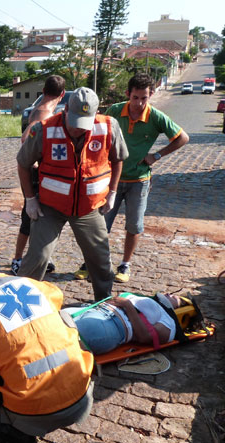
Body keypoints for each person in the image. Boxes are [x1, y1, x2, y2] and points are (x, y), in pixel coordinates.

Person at [0, 246, 94, 443]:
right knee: (63, 316)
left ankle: (14, 427)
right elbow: (55, 303)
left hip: (32, 413)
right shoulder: (32, 284)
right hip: (82, 398)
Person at [16, 87, 129, 300]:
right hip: (50, 206)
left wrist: (113, 192)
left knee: (101, 259)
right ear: (65, 109)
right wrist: (30, 199)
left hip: (89, 206)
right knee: (38, 257)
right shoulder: (44, 129)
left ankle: (104, 302)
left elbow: (118, 159)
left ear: (95, 114)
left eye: (84, 123)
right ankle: (20, 303)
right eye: (75, 121)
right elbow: (23, 163)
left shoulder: (108, 126)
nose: (79, 129)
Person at [75, 73, 189, 283]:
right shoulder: (116, 111)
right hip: (112, 180)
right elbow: (99, 133)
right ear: (128, 94)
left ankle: (125, 265)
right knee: (100, 224)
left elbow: (183, 138)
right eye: (135, 97)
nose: (139, 103)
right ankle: (89, 263)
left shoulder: (156, 117)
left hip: (140, 181)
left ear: (151, 95)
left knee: (134, 226)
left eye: (144, 98)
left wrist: (156, 155)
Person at [11, 75, 66, 276]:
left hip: (43, 176)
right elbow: (26, 140)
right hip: (35, 177)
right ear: (62, 95)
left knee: (42, 219)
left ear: (43, 91)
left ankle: (41, 255)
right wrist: (35, 164)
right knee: (29, 219)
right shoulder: (43, 114)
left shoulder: (44, 110)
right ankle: (17, 259)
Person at [63, 292, 183, 355]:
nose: (168, 294)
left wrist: (128, 306)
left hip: (112, 324)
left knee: (59, 337)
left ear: (178, 309)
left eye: (174, 297)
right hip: (95, 310)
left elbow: (144, 337)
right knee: (48, 321)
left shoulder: (169, 322)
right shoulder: (147, 299)